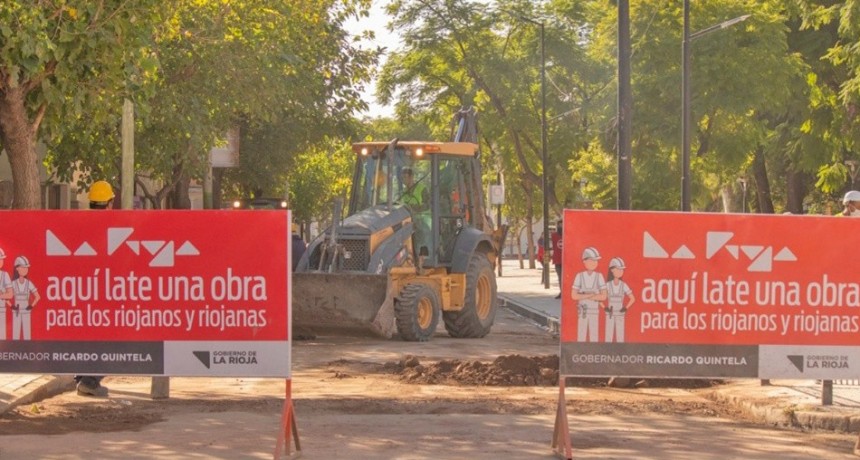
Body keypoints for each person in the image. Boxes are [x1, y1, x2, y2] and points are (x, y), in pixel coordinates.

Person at [74, 180, 114, 397]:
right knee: (110, 337)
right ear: (109, 203)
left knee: (86, 335)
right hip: (104, 291)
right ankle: (90, 380)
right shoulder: (113, 225)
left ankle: (83, 378)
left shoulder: (80, 222)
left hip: (81, 290)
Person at [571, 246, 607, 342]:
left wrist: (583, 294)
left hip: (595, 311)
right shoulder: (579, 276)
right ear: (585, 261)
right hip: (582, 311)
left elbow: (604, 296)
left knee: (594, 337)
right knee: (581, 336)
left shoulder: (599, 276)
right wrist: (592, 295)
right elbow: (574, 295)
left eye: (596, 261)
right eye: (592, 260)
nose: (594, 263)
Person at [604, 257, 634, 343]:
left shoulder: (623, 285)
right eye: (619, 269)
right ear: (612, 270)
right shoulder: (607, 285)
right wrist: (605, 307)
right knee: (608, 337)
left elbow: (632, 298)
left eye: (622, 270)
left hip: (620, 313)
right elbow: (600, 298)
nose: (621, 272)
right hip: (610, 313)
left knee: (620, 337)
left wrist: (626, 308)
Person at [10, 256, 38, 341]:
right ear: (17, 268)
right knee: (15, 335)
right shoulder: (13, 283)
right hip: (16, 311)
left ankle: (28, 350)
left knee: (27, 335)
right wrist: (12, 306)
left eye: (27, 268)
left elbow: (37, 296)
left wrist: (31, 306)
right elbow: (6, 297)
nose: (25, 270)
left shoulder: (29, 283)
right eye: (23, 267)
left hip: (26, 311)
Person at [0, 249, 13, 340]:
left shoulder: (5, 275)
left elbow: (10, 294)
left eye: (2, 259)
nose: (1, 262)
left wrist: (1, 295)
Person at [551, 220, 563, 299]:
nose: (561, 226)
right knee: (560, 277)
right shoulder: (554, 235)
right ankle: (562, 292)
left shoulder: (569, 234)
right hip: (558, 259)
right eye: (560, 225)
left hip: (567, 260)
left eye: (562, 225)